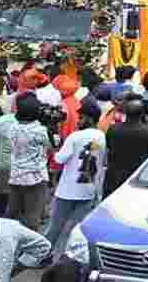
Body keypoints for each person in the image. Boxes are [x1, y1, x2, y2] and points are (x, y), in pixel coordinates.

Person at [44, 98, 106, 257]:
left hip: (67, 190)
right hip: (88, 190)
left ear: (89, 119)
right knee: (76, 230)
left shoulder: (75, 137)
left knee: (55, 227)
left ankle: (43, 255)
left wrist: (53, 149)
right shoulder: (101, 136)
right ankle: (70, 259)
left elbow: (59, 159)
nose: (78, 121)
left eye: (81, 117)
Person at [6, 93, 51, 230]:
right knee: (32, 216)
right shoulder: (40, 131)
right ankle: (32, 246)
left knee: (14, 212)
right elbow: (50, 147)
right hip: (35, 177)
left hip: (15, 175)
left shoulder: (12, 128)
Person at [103, 97, 148, 197]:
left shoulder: (113, 129)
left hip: (113, 176)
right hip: (135, 176)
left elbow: (108, 146)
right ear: (142, 114)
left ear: (125, 113)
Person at [0, 217, 51, 282]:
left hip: (4, 237)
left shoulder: (6, 237)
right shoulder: (9, 226)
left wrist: (20, 265)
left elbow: (44, 246)